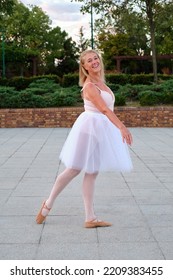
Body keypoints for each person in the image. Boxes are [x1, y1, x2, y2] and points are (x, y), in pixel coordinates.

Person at [36, 49, 133, 228]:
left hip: (101, 130)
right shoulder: (89, 86)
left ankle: (90, 218)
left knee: (92, 171)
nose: (94, 61)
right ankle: (48, 204)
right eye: (89, 60)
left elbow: (107, 110)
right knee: (74, 168)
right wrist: (121, 127)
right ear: (84, 66)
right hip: (88, 129)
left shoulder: (102, 83)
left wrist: (115, 126)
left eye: (96, 58)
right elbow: (104, 109)